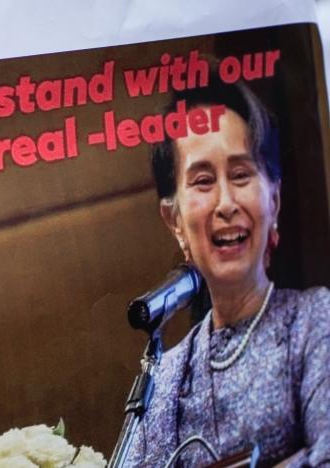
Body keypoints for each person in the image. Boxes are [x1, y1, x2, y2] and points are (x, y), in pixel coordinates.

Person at [123, 70, 330, 467]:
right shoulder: (164, 377)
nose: (226, 203)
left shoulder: (313, 323)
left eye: (240, 175)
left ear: (275, 198)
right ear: (174, 221)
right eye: (203, 181)